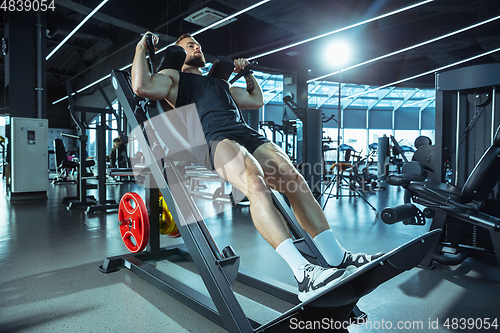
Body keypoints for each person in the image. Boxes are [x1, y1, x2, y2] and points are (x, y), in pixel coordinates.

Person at [131, 32, 382, 302]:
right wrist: (140, 47)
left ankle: (337, 257)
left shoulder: (218, 83)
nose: (197, 46)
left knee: (294, 180)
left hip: (245, 131)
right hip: (213, 138)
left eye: (199, 44)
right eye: (190, 45)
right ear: (177, 53)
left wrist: (248, 74)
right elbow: (141, 86)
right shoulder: (173, 79)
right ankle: (304, 275)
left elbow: (255, 100)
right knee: (256, 182)